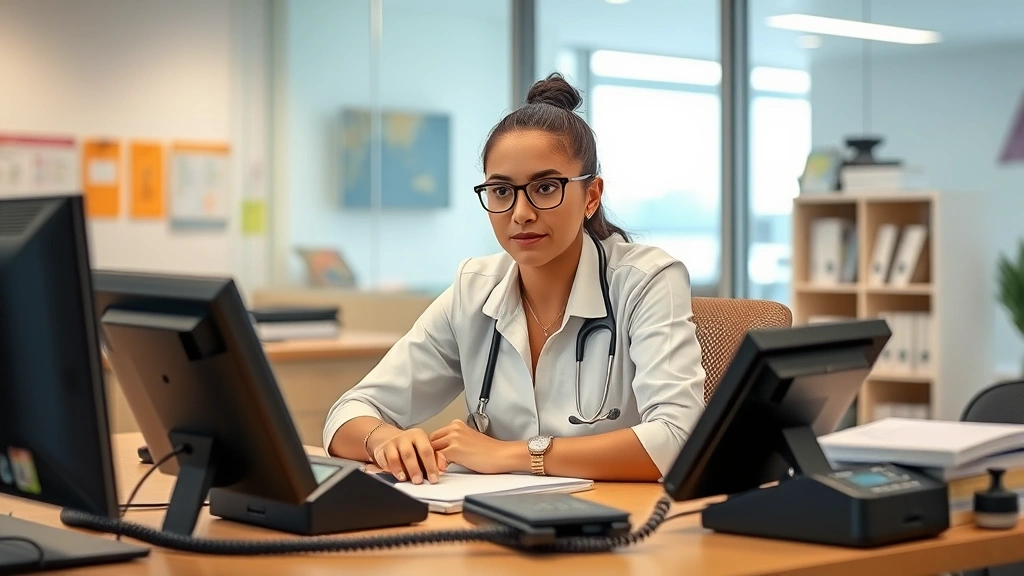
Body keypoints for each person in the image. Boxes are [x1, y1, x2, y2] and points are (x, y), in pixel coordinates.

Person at [323, 73, 706, 485]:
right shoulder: (474, 289)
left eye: (545, 187)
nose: (521, 212)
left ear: (591, 196)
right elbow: (348, 413)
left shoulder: (647, 282)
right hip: (496, 524)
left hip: (616, 524)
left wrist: (510, 454)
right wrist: (384, 440)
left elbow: (678, 440)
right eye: (502, 191)